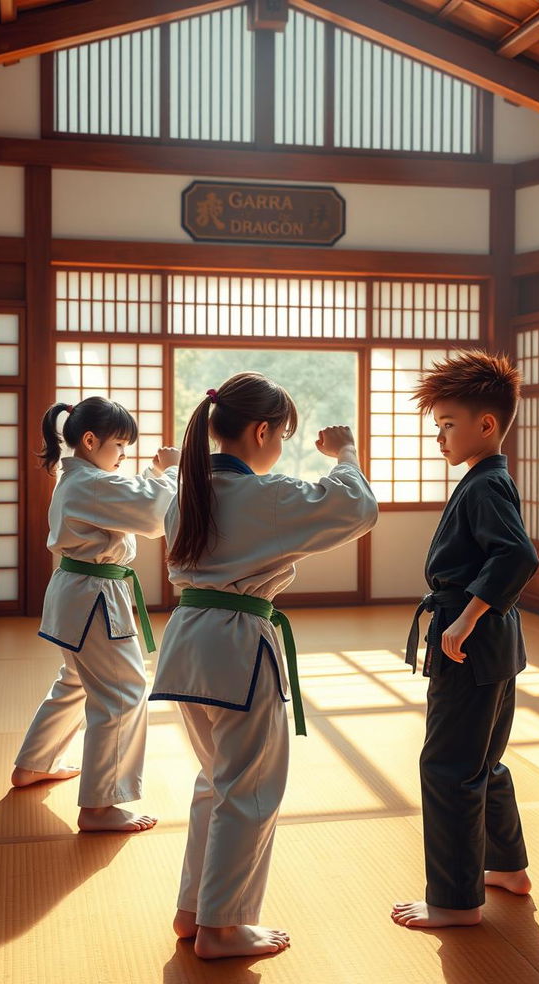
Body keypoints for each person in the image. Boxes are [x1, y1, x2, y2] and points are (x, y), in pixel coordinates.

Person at [150, 372, 378, 959]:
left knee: (217, 782)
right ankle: (222, 929)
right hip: (236, 646)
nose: (282, 446)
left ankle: (195, 909)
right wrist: (345, 453)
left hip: (187, 642)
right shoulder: (264, 496)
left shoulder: (189, 493)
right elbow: (356, 507)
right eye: (282, 435)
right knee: (248, 790)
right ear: (261, 430)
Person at [391, 350, 539, 929]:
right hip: (495, 643)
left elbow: (516, 556)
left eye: (447, 425)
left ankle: (455, 902)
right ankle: (506, 867)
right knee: (484, 761)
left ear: (487, 424)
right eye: (437, 428)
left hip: (470, 642)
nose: (440, 439)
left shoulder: (484, 486)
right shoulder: (489, 479)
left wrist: (464, 617)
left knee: (447, 765)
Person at [12, 396, 179, 833]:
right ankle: (101, 806)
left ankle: (35, 763)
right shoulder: (91, 484)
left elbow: (128, 498)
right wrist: (178, 471)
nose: (124, 455)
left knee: (75, 681)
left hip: (79, 593)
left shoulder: (84, 478)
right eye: (120, 445)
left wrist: (155, 475)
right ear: (90, 440)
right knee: (123, 692)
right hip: (93, 598)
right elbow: (153, 513)